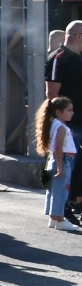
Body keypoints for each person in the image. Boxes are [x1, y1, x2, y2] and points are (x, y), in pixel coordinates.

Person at [45, 21, 82, 222]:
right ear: (78, 36)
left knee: (78, 166)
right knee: (66, 167)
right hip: (68, 125)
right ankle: (61, 209)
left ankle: (73, 203)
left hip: (79, 121)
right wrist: (60, 125)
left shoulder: (78, 58)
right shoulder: (59, 58)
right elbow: (52, 94)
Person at [36, 96, 79, 231]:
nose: (72, 113)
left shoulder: (53, 124)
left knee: (53, 190)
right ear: (58, 112)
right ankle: (59, 218)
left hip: (56, 160)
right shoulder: (60, 127)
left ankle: (53, 217)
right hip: (63, 160)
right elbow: (58, 148)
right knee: (61, 191)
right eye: (69, 110)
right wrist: (60, 167)